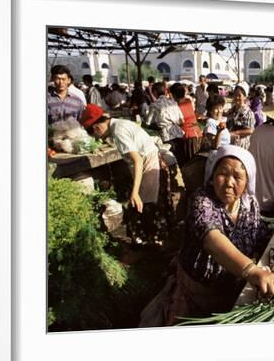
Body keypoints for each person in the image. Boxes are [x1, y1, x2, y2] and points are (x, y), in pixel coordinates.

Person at [139, 145, 274, 327]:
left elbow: (259, 234)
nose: (229, 183)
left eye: (238, 177)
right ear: (212, 175)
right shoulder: (202, 200)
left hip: (230, 290)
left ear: (247, 181)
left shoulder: (250, 205)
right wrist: (252, 271)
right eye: (223, 173)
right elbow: (212, 239)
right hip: (196, 293)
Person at [80, 104, 173, 249]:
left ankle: (148, 248)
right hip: (154, 164)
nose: (95, 136)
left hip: (150, 166)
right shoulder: (119, 125)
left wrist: (135, 192)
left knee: (144, 208)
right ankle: (156, 247)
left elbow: (137, 160)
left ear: (96, 127)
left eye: (92, 132)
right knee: (152, 208)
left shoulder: (118, 131)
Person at [148, 82, 185, 163]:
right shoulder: (173, 103)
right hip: (179, 135)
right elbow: (182, 121)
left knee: (170, 162)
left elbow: (148, 123)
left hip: (166, 136)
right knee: (181, 161)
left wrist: (159, 125)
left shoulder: (154, 105)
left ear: (154, 92)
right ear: (165, 91)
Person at [170, 82, 202, 167]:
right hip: (197, 132)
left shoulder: (176, 106)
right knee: (197, 161)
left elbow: (177, 122)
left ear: (174, 95)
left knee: (190, 163)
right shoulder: (188, 101)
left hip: (189, 136)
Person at [226, 85, 255, 150]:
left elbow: (250, 130)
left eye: (239, 95)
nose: (237, 97)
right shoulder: (232, 110)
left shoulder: (248, 112)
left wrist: (234, 133)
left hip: (242, 144)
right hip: (231, 143)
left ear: (244, 97)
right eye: (235, 95)